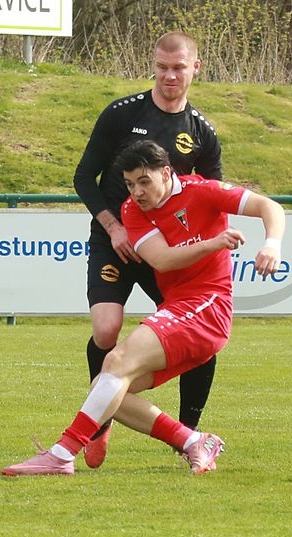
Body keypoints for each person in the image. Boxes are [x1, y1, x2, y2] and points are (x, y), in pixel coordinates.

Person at [3, 139, 284, 476]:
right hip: (179, 308)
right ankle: (194, 441)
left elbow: (270, 207)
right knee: (106, 387)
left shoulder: (203, 191)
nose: (137, 192)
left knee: (116, 362)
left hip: (208, 307)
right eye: (129, 184)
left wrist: (272, 245)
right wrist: (213, 243)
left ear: (166, 172)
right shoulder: (131, 211)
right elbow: (162, 260)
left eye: (144, 181)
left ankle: (62, 454)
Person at [72, 31, 223, 468]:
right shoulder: (122, 114)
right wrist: (114, 227)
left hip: (165, 253)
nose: (169, 76)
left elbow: (211, 199)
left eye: (178, 68)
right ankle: (100, 422)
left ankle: (189, 433)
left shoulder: (201, 133)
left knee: (200, 344)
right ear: (153, 65)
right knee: (106, 331)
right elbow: (83, 178)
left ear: (196, 68)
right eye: (162, 67)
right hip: (116, 242)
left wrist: (201, 250)